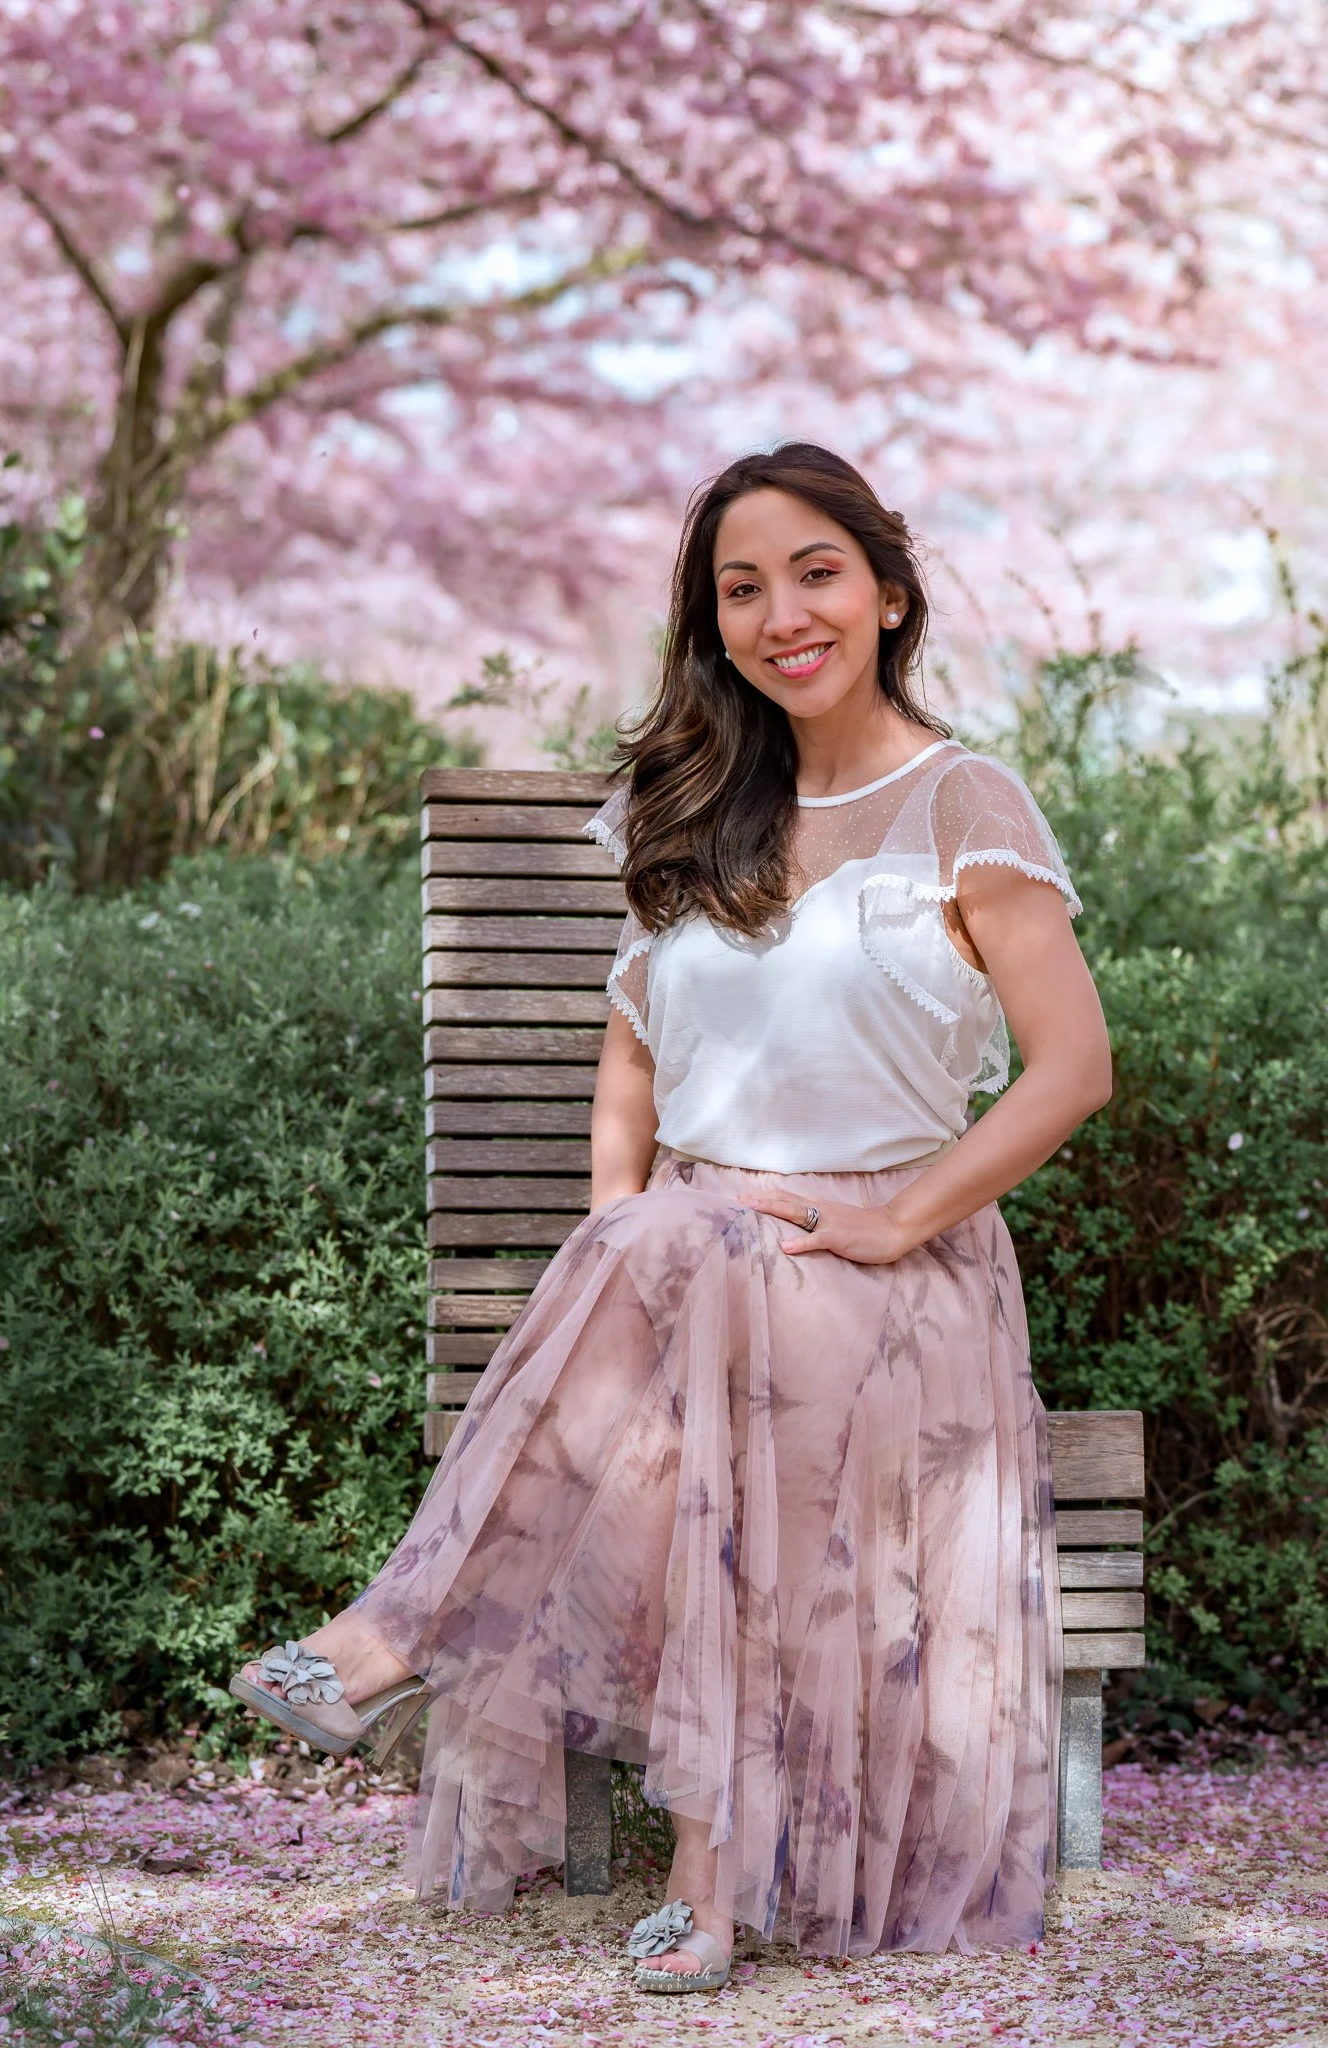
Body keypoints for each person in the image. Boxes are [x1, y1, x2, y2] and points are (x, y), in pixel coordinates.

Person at [229, 442, 1111, 1986]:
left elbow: (1073, 1071)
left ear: (889, 591)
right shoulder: (686, 801)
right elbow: (629, 1058)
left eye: (815, 573)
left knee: (713, 1337)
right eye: (741, 587)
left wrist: (899, 1222)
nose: (783, 614)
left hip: (879, 1263)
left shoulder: (962, 800)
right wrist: (616, 1252)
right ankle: (703, 1877)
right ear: (714, 624)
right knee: (682, 1326)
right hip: (698, 1265)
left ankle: (396, 1649)